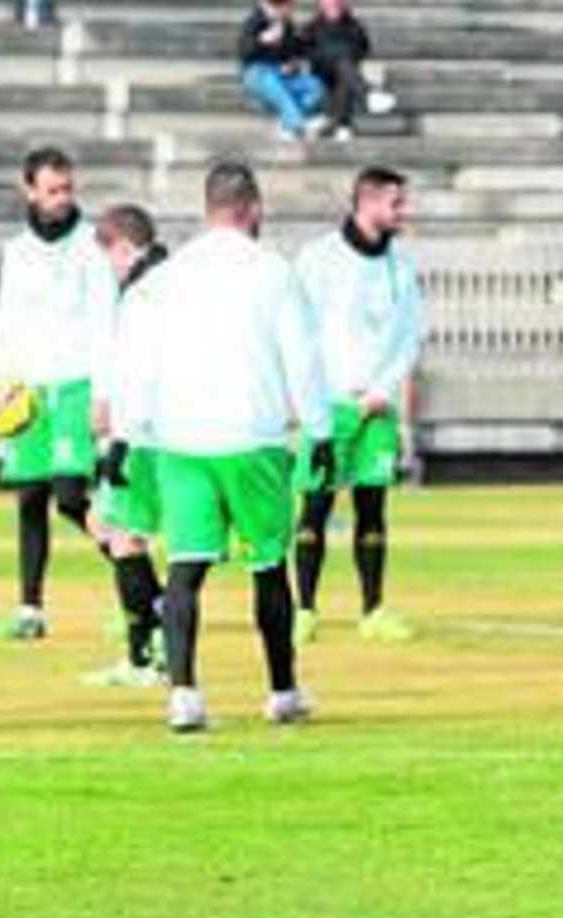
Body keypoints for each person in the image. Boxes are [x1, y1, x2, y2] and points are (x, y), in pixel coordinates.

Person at [116, 160, 333, 732]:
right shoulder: (274, 272)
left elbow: (135, 359)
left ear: (206, 209)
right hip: (253, 439)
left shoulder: (165, 279)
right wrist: (321, 431)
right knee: (267, 566)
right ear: (254, 208)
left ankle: (184, 696)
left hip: (179, 439)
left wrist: (125, 435)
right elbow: (304, 359)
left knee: (185, 569)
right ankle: (282, 692)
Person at [0, 146, 118, 642]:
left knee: (68, 497)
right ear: (29, 190)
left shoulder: (92, 245)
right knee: (30, 498)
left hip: (76, 384)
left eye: (67, 189)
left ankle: (141, 582)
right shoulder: (16, 251)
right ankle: (30, 610)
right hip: (28, 389)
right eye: (52, 189)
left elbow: (106, 322)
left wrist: (105, 393)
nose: (62, 198)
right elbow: (7, 323)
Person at [291, 166, 424, 646]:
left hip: (378, 409)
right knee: (315, 507)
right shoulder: (318, 259)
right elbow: (300, 334)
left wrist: (384, 389)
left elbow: (410, 336)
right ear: (366, 204)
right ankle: (303, 608)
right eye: (396, 203)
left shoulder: (401, 269)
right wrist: (315, 398)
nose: (403, 212)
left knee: (373, 506)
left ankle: (373, 609)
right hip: (330, 405)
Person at [82, 204, 170, 688]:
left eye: (108, 256)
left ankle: (147, 653)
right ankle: (156, 633)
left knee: (122, 535)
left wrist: (117, 434)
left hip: (140, 434)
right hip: (161, 430)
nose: (108, 268)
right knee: (103, 522)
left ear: (122, 246)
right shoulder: (168, 279)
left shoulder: (143, 291)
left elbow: (139, 368)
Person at [302, 0, 395, 142]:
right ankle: (365, 98)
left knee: (345, 74)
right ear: (321, 4)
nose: (333, 6)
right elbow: (306, 52)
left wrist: (342, 55)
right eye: (329, 3)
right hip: (322, 75)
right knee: (344, 64)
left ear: (344, 4)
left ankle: (342, 126)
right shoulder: (311, 27)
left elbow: (363, 49)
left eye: (337, 3)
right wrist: (332, 54)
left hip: (346, 73)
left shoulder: (354, 25)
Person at [239, 0, 327, 141]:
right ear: (264, 5)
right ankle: (298, 125)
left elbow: (296, 51)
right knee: (274, 84)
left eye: (286, 6)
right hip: (257, 73)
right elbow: (245, 54)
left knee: (315, 85)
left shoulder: (288, 25)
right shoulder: (253, 23)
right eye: (277, 6)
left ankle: (287, 125)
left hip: (282, 73)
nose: (281, 10)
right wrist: (261, 41)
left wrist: (293, 64)